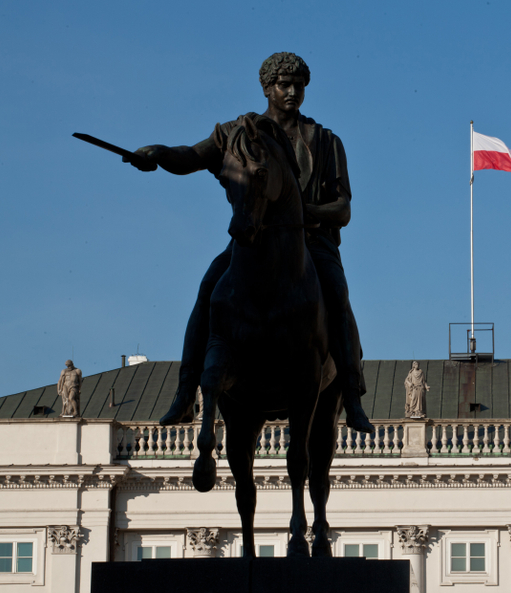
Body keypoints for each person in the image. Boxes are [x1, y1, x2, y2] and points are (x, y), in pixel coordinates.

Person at [125, 52, 372, 432]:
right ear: (266, 88)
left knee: (337, 293)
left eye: (299, 86)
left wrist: (302, 211)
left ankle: (352, 396)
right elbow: (192, 156)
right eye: (284, 85)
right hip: (251, 241)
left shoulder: (325, 141)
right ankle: (185, 392)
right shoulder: (235, 134)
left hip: (311, 244)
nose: (292, 92)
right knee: (208, 288)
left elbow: (342, 209)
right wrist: (157, 154)